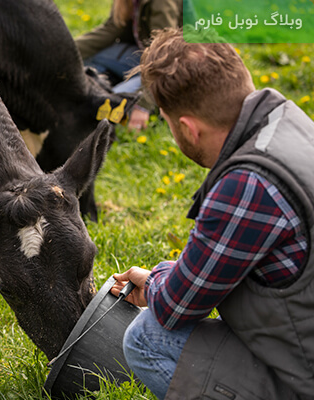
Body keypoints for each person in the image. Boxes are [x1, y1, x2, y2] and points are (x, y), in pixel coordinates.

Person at [110, 28, 314, 399]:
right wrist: (160, 276)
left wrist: (157, 285)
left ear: (187, 127)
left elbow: (176, 308)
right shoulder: (289, 122)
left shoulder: (248, 185)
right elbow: (216, 271)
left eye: (169, 125)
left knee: (148, 338)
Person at [74, 0, 183, 130]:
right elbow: (111, 29)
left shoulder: (163, 3)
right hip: (141, 59)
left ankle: (146, 100)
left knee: (104, 107)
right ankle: (109, 83)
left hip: (172, 70)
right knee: (90, 57)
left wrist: (143, 104)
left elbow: (166, 57)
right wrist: (62, 51)